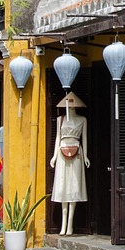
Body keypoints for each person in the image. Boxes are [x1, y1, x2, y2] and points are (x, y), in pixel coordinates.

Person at [49, 92, 88, 236]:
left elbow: (84, 138)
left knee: (74, 186)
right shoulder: (60, 120)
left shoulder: (82, 120)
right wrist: (54, 156)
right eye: (68, 106)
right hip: (62, 152)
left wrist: (86, 156)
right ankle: (63, 224)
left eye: (72, 106)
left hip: (77, 152)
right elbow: (58, 138)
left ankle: (70, 224)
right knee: (62, 185)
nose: (70, 108)